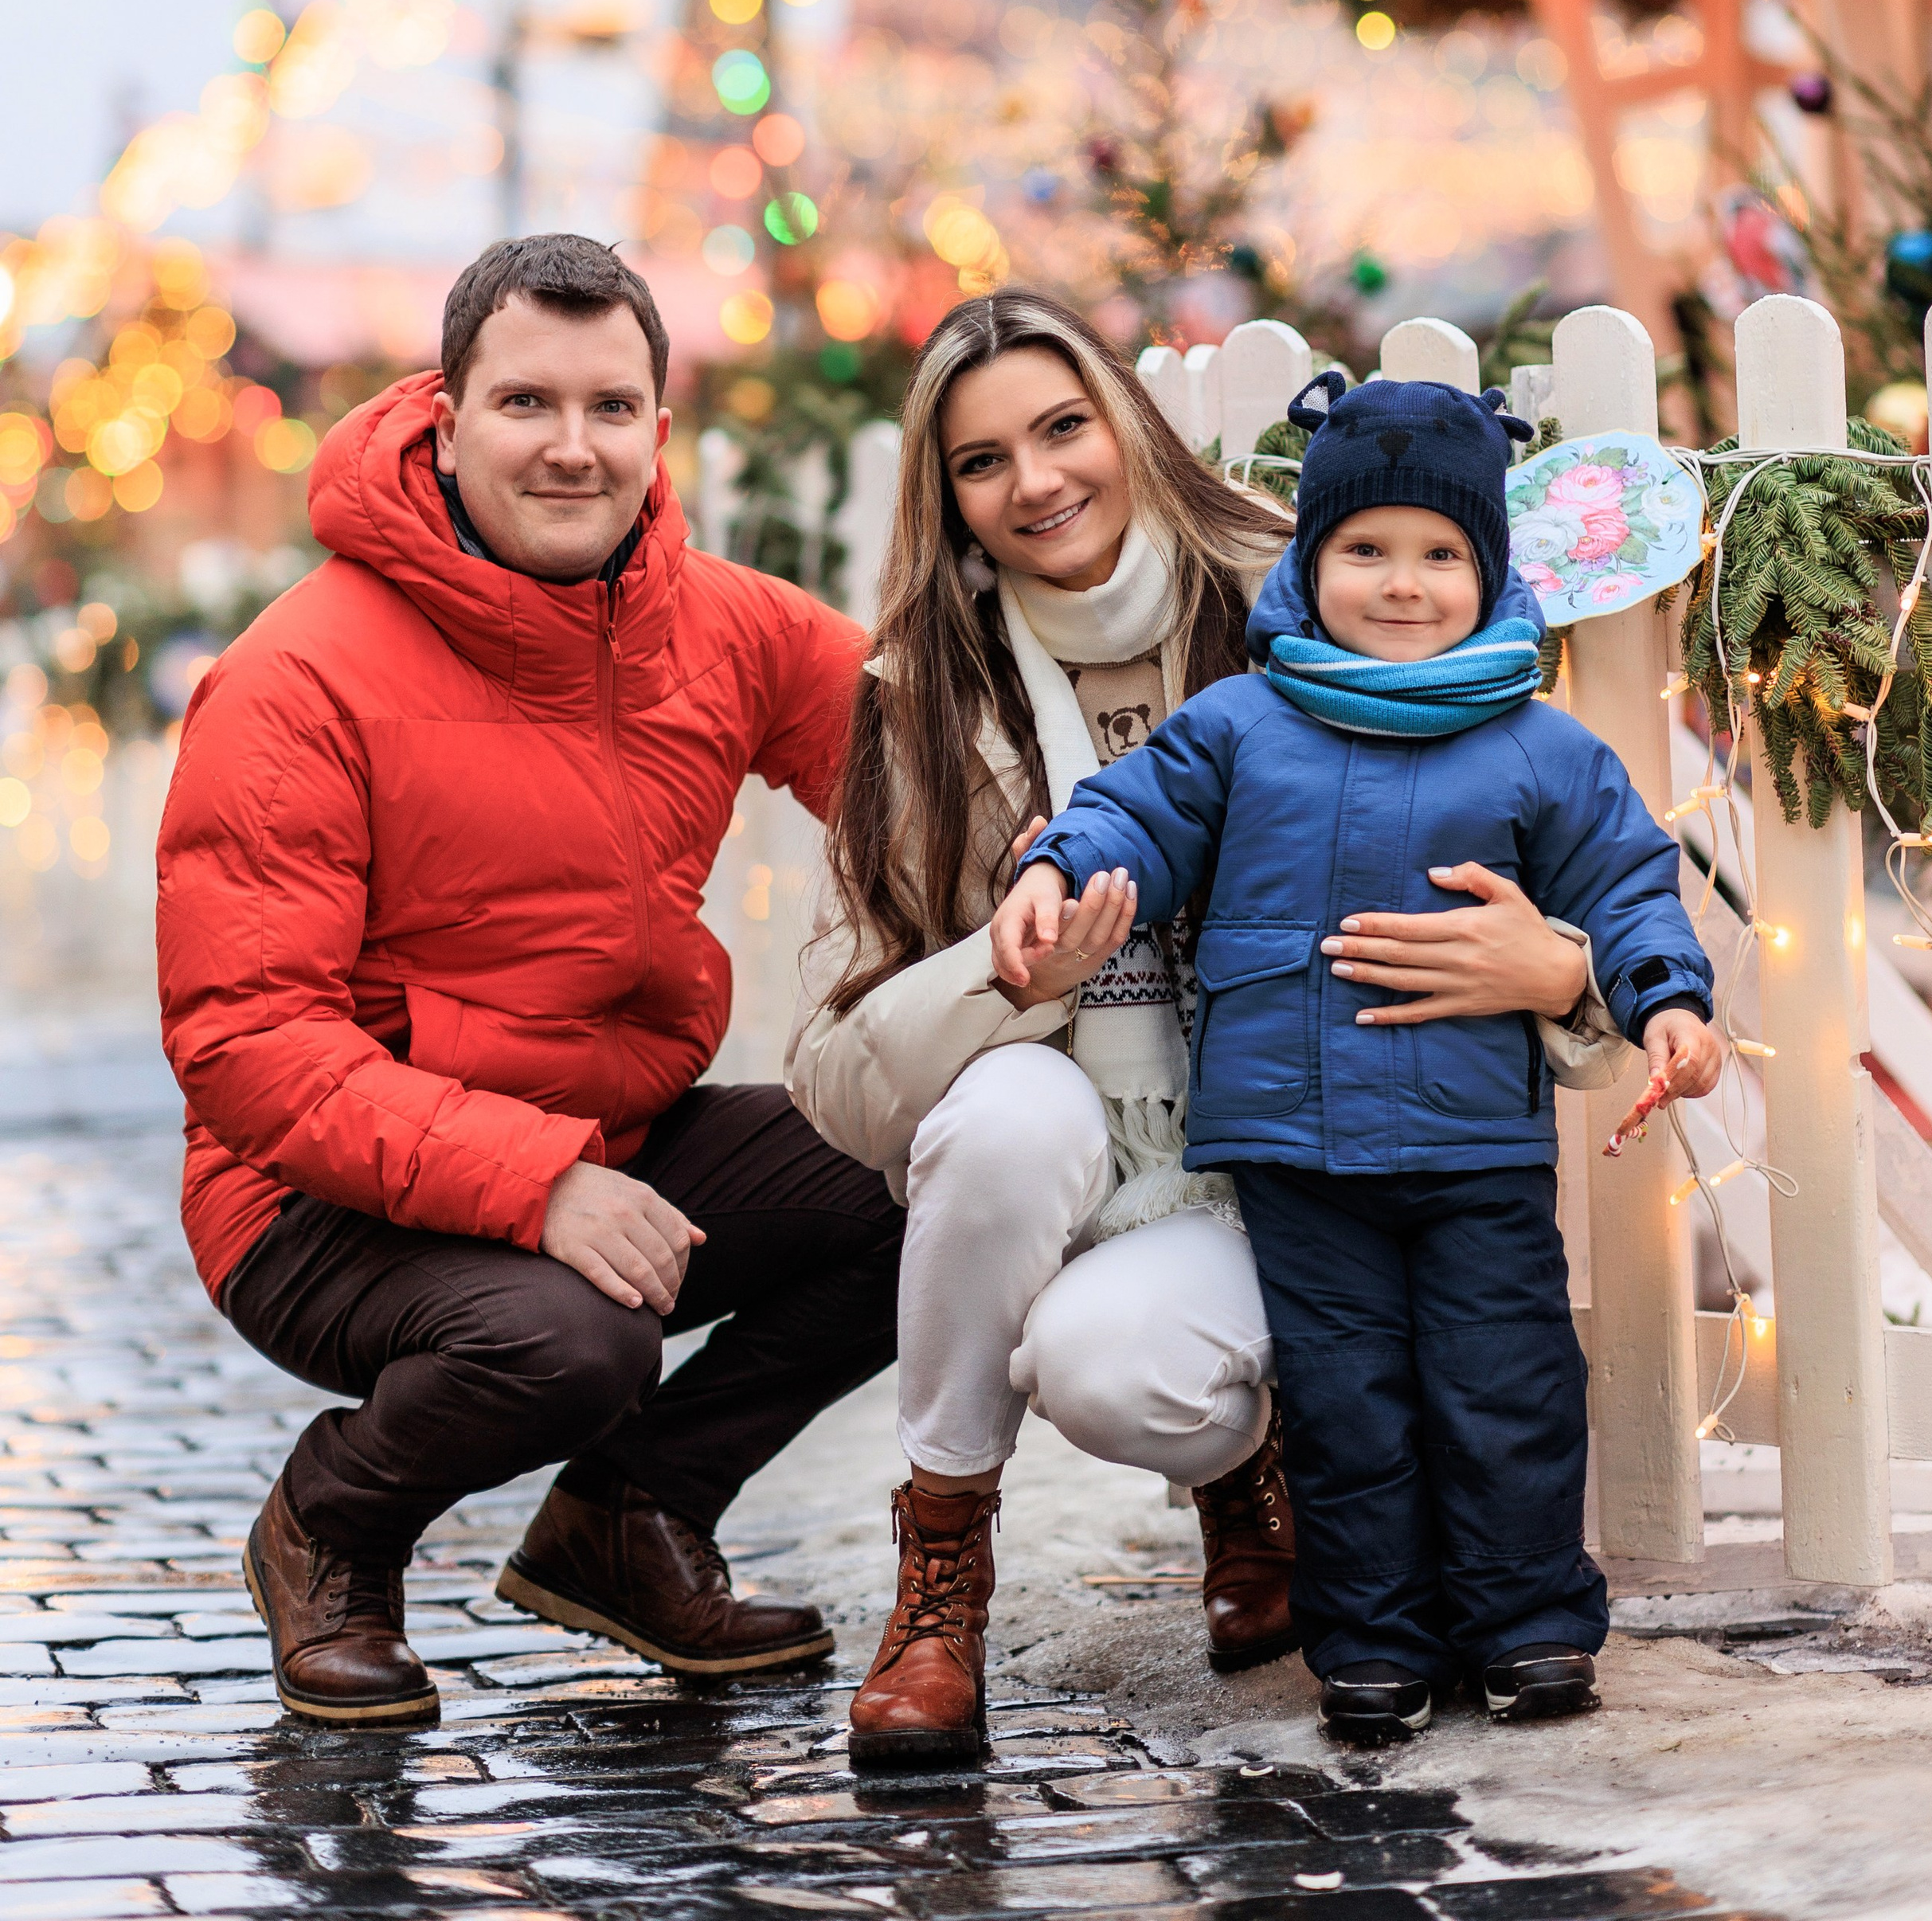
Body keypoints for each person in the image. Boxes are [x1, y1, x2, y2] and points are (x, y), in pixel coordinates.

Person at [787, 294, 1622, 1770]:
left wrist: (1561, 974)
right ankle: (941, 1579)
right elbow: (843, 1084)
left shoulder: (1315, 601)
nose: (1037, 482)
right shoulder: (920, 699)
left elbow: (1579, 856)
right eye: (984, 461)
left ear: (1130, 427)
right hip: (1084, 1156)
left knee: (1129, 1372)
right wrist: (1003, 968)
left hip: (1290, 1155)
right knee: (1002, 1117)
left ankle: (1262, 1491)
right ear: (949, 497)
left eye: (1064, 427)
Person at [157, 234, 900, 1730]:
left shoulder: (724, 625)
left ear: (658, 431)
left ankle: (630, 1516)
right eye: (527, 405)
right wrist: (538, 1184)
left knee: (931, 1170)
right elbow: (249, 1044)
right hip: (310, 1198)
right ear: (444, 415)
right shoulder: (298, 676)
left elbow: (929, 784)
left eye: (610, 408)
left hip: (607, 1131)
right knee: (575, 1336)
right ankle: (332, 1529)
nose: (573, 449)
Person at [995, 370, 1722, 1748]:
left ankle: (1528, 1630)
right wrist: (1064, 865)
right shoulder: (1238, 726)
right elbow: (1132, 817)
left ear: (1490, 571)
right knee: (1347, 1407)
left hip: (1474, 1154)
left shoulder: (1540, 749)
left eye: (1441, 554)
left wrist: (1665, 1000)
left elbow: (1628, 888)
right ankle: (1376, 1646)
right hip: (1298, 1153)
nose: (1403, 585)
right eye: (1365, 551)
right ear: (1309, 564)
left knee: (1502, 1390)